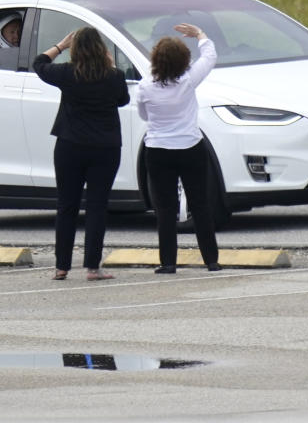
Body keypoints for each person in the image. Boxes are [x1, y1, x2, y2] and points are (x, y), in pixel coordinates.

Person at [33, 27, 130, 281]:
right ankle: (92, 267)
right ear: (101, 49)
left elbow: (39, 63)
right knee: (97, 206)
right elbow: (123, 100)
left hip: (69, 145)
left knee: (67, 205)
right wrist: (109, 65)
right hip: (105, 147)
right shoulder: (114, 76)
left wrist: (60, 46)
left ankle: (61, 266)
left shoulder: (66, 73)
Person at [136, 23, 221, 274]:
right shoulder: (188, 81)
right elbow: (210, 57)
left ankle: (168, 262)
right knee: (200, 204)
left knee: (165, 208)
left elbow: (143, 114)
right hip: (190, 146)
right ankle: (211, 259)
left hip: (158, 149)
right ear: (184, 60)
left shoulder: (145, 87)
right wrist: (200, 35)